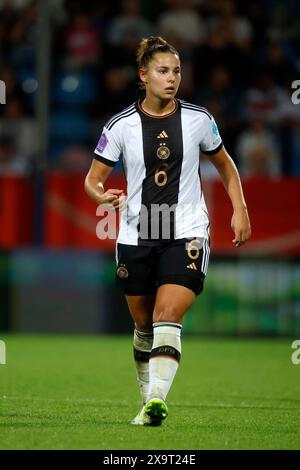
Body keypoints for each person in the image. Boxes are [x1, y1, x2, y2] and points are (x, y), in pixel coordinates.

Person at [84, 36, 251, 426]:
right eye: (162, 71)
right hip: (136, 233)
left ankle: (157, 399)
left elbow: (225, 165)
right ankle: (147, 399)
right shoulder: (120, 125)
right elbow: (92, 179)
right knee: (143, 327)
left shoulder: (198, 119)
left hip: (187, 229)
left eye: (176, 71)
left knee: (167, 314)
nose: (171, 78)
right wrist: (103, 196)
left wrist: (240, 208)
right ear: (143, 76)